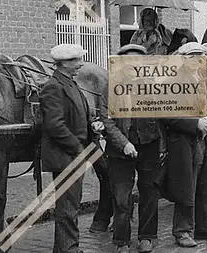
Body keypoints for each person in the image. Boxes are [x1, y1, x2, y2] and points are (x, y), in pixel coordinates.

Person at [163, 39, 207, 247]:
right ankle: (182, 231)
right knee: (186, 187)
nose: (198, 61)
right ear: (183, 59)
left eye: (201, 57)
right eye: (193, 57)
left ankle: (206, 228)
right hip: (185, 141)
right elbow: (166, 114)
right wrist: (195, 124)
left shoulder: (203, 79)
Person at [40, 44, 103, 253]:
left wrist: (92, 125)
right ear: (64, 64)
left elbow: (79, 114)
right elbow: (54, 125)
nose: (81, 64)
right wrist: (78, 148)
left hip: (73, 154)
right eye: (76, 60)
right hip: (65, 156)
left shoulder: (71, 83)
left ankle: (67, 247)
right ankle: (68, 249)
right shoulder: (53, 87)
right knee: (67, 206)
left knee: (72, 203)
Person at [104, 44, 162, 253]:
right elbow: (107, 121)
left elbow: (165, 113)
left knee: (150, 193)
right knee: (121, 197)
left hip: (150, 146)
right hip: (120, 151)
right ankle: (122, 242)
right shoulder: (111, 87)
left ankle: (147, 237)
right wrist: (124, 143)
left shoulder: (154, 85)